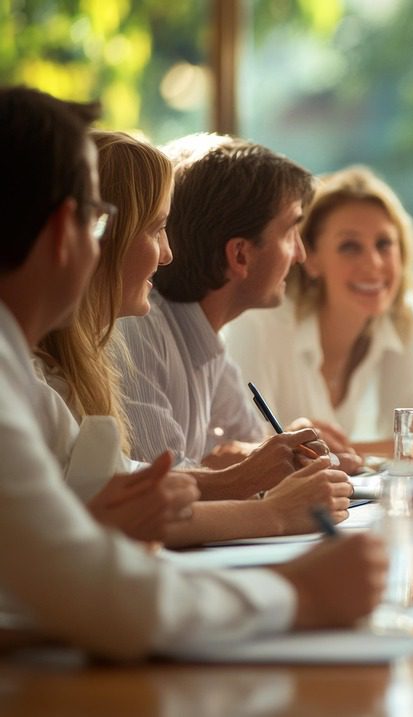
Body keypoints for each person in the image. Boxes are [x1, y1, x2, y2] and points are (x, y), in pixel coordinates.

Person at [0, 85, 385, 659]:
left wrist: (116, 513)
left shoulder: (17, 371)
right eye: (102, 222)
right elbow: (104, 596)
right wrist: (298, 589)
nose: (167, 254)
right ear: (63, 233)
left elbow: (105, 480)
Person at [35, 130, 351, 547]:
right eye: (154, 230)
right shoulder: (125, 338)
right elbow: (124, 514)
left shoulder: (88, 362)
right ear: (95, 242)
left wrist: (257, 466)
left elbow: (124, 486)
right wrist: (267, 506)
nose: (167, 254)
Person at [116, 133, 358, 502]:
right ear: (240, 255)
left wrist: (286, 448)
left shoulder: (206, 339)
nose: (300, 254)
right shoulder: (138, 332)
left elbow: (246, 449)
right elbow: (162, 491)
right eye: (291, 230)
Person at [224, 166, 413, 449]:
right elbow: (241, 452)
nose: (374, 264)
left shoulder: (398, 323)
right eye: (350, 247)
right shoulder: (261, 324)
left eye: (384, 244)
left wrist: (333, 453)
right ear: (312, 258)